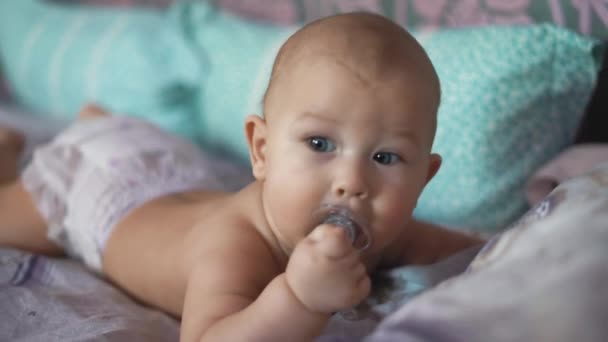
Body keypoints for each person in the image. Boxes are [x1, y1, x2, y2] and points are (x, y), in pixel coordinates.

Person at [0, 12, 482, 342]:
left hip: (163, 172)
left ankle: (100, 125)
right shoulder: (238, 244)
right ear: (262, 150)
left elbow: (474, 256)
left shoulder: (381, 230)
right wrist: (298, 298)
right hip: (98, 190)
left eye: (386, 158)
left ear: (424, 178)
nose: (352, 182)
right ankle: (24, 151)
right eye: (319, 144)